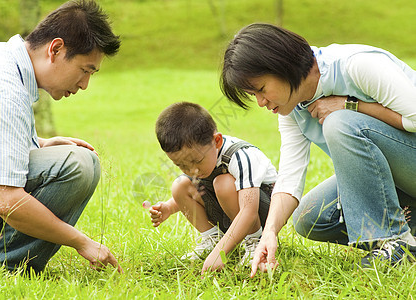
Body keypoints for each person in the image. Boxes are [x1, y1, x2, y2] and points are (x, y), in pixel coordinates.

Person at [219, 23, 416, 276]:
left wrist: (351, 106)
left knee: (339, 122)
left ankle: (394, 244)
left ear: (282, 65)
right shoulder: (293, 108)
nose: (261, 102)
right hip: (401, 179)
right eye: (252, 95)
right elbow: (290, 178)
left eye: (261, 89)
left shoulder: (356, 66)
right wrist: (269, 233)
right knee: (310, 217)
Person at [0, 0, 123, 273]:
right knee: (76, 166)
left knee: (72, 159)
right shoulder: (2, 91)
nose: (84, 84)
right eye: (85, 70)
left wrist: (40, 145)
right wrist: (81, 242)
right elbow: (6, 201)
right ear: (56, 49)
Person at [149, 101, 277, 273]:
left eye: (196, 161)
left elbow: (249, 211)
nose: (191, 170)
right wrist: (169, 208)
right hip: (231, 208)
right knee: (181, 185)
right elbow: (195, 191)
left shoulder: (240, 156)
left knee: (222, 183)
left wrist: (220, 253)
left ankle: (255, 241)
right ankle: (213, 239)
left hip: (262, 211)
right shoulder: (200, 162)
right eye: (181, 165)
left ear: (217, 141)